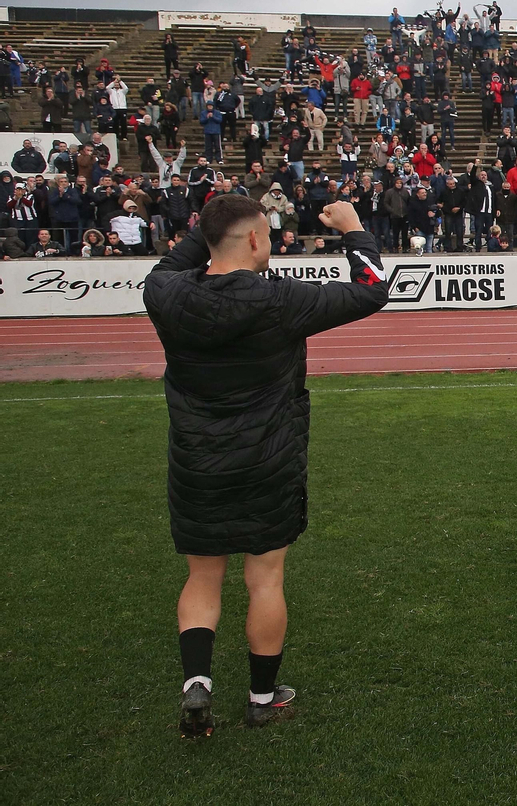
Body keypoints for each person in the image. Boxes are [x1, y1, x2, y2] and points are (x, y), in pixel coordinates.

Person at [142, 195, 389, 738]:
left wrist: (212, 224)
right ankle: (261, 699)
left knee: (203, 576)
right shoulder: (280, 299)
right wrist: (354, 230)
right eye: (268, 234)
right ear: (255, 239)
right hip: (267, 461)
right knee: (265, 577)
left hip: (197, 462)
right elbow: (372, 289)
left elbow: (175, 261)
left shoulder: (164, 292)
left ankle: (197, 683)